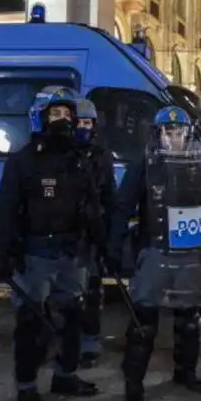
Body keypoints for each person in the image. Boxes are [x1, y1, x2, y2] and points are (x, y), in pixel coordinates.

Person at [105, 106, 201, 401]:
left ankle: (185, 372)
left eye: (178, 132)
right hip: (155, 251)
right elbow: (122, 206)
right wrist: (113, 248)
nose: (173, 138)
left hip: (189, 254)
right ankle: (134, 382)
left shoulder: (199, 165)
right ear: (158, 134)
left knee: (189, 320)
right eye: (167, 132)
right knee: (144, 322)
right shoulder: (145, 165)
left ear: (187, 134)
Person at [0, 86, 102, 401]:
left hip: (72, 255)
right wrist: (1, 253)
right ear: (40, 118)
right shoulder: (23, 161)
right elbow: (6, 209)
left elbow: (92, 206)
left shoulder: (79, 161)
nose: (64, 120)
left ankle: (65, 375)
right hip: (34, 256)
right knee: (31, 325)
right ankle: (26, 387)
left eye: (68, 114)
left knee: (71, 319)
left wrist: (102, 244)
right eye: (56, 114)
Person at [73, 99, 116, 368]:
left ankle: (90, 341)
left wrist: (108, 239)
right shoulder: (62, 153)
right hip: (67, 235)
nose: (82, 128)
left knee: (91, 292)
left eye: (87, 123)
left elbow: (110, 196)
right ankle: (66, 340)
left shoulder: (101, 156)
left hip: (92, 235)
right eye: (78, 123)